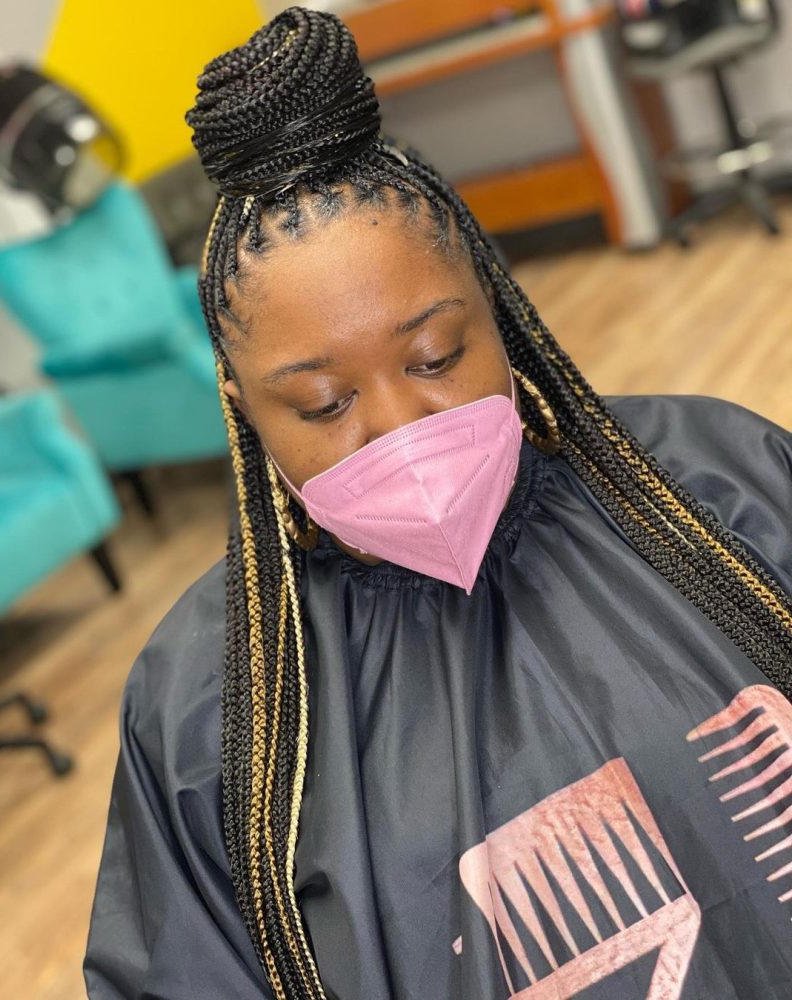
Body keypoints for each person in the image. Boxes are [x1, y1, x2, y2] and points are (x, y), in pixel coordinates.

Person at [83, 8, 792, 999]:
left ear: (495, 309)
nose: (399, 428)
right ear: (242, 409)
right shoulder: (209, 713)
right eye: (323, 404)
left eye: (435, 356)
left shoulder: (721, 484)